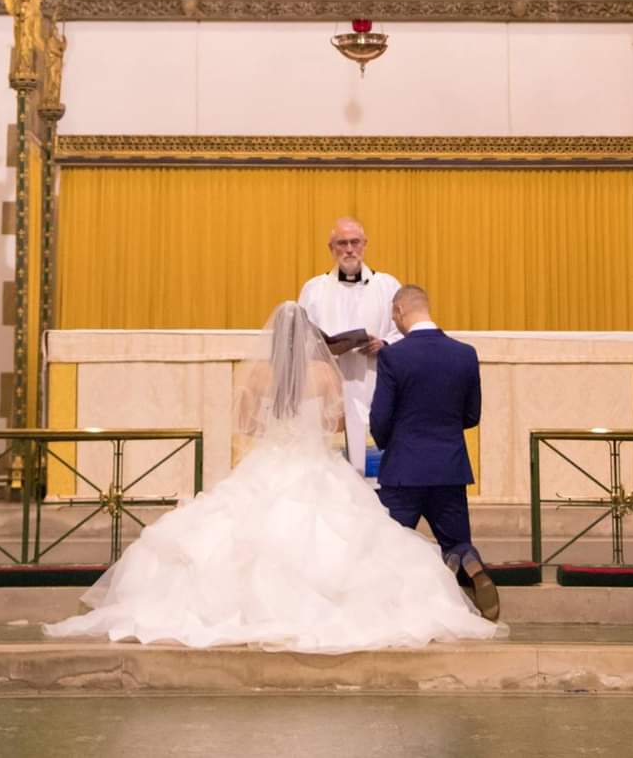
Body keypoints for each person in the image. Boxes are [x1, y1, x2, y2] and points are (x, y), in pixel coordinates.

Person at [44, 304, 500, 651]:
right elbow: (335, 426)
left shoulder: (259, 374)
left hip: (269, 463)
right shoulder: (324, 374)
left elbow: (246, 426)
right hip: (315, 465)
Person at [370, 285, 500, 623]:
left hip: (404, 469)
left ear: (399, 311)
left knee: (388, 545)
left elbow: (380, 417)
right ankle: (467, 558)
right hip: (449, 467)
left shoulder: (394, 356)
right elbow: (471, 415)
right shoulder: (464, 354)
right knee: (455, 540)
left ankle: (388, 614)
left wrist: (390, 444)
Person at [298, 219, 401, 471]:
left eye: (355, 242)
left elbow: (402, 330)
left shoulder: (388, 286)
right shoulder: (314, 289)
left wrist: (384, 343)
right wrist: (323, 346)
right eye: (342, 243)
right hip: (328, 384)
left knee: (371, 458)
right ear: (331, 248)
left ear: (365, 244)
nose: (349, 249)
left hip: (373, 379)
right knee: (330, 467)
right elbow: (300, 335)